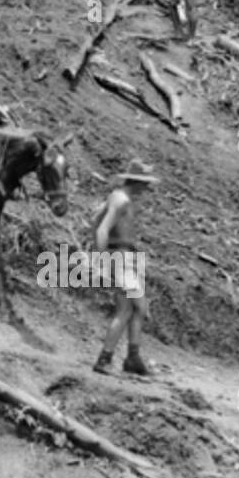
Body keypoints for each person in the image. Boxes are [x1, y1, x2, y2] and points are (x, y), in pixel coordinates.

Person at [91, 160, 159, 376]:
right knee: (127, 308)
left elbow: (95, 219)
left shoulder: (120, 197)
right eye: (145, 183)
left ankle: (133, 357)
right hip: (119, 258)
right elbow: (102, 229)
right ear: (137, 182)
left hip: (127, 256)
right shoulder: (121, 200)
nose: (147, 188)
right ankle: (105, 358)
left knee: (139, 307)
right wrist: (101, 263)